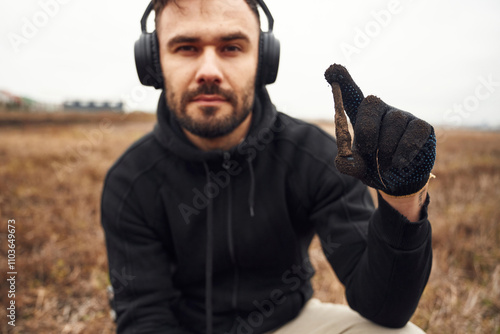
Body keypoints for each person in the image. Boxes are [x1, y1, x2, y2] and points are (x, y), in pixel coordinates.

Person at [100, 0, 436, 333]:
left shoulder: (314, 155)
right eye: (186, 48)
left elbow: (384, 309)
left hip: (289, 323)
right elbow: (145, 318)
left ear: (263, 60)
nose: (209, 71)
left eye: (231, 47)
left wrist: (402, 202)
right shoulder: (130, 181)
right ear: (153, 62)